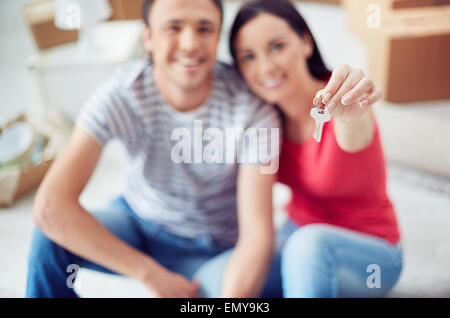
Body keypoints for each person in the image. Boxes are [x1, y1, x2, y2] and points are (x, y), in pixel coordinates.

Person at [26, 0, 281, 298]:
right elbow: (50, 207)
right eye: (174, 27)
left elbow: (257, 235)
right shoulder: (123, 93)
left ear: (217, 36)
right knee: (50, 238)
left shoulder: (254, 111)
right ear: (148, 36)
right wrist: (150, 274)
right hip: (138, 223)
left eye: (204, 28)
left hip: (212, 248)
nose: (190, 44)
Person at [227, 0, 403, 297]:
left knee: (308, 246)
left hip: (371, 253)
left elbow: (354, 130)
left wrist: (352, 112)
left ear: (306, 42)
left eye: (277, 46)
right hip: (296, 236)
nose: (265, 67)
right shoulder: (263, 118)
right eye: (248, 56)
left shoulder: (341, 101)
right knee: (219, 277)